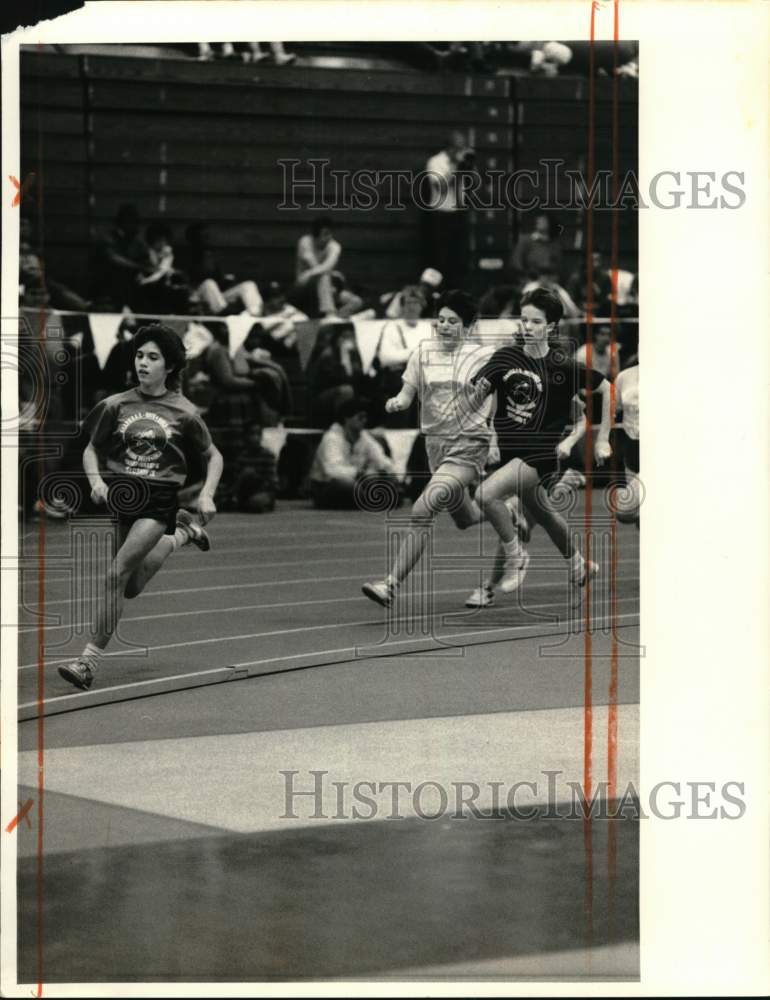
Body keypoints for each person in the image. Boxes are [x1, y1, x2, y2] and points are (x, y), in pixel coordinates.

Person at [57, 323, 223, 691]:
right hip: (121, 496)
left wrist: (207, 494)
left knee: (115, 575)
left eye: (153, 357)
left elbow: (214, 456)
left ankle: (87, 661)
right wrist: (97, 481)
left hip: (158, 497)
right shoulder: (116, 404)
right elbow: (92, 448)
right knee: (130, 586)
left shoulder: (184, 411)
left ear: (170, 367)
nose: (143, 363)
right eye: (139, 355)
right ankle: (181, 533)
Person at [361, 290, 515, 608]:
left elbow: (493, 398)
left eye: (452, 322)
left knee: (422, 509)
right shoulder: (423, 352)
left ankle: (390, 584)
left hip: (470, 443)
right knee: (466, 518)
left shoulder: (482, 357)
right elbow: (408, 391)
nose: (444, 326)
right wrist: (398, 401)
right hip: (435, 444)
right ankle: (508, 511)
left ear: (469, 326)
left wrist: (495, 440)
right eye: (440, 320)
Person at [463, 286, 612, 608]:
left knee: (484, 496)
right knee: (544, 514)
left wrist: (601, 438)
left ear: (551, 326)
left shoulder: (561, 366)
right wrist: (472, 396)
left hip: (540, 455)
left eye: (535, 322)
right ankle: (579, 564)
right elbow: (478, 395)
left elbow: (605, 389)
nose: (527, 327)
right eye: (524, 319)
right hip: (510, 452)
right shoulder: (505, 356)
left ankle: (517, 556)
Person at [309, 397, 397, 509]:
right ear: (347, 418)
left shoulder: (364, 437)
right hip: (325, 485)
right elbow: (332, 471)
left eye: (365, 417)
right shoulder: (331, 438)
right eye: (360, 417)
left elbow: (381, 459)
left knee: (378, 480)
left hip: (357, 481)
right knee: (350, 486)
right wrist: (361, 473)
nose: (364, 421)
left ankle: (369, 499)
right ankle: (373, 499)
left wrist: (391, 473)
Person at [422, 132, 475, 288]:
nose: (461, 151)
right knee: (440, 260)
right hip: (440, 216)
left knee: (459, 260)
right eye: (459, 147)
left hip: (458, 214)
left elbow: (474, 183)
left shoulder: (463, 162)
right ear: (450, 148)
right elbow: (441, 187)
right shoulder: (435, 162)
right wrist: (454, 167)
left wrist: (469, 167)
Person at [179, 223, 263, 318]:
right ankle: (224, 320)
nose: (207, 240)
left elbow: (220, 283)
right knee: (208, 283)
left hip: (217, 300)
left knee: (248, 285)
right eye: (203, 237)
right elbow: (186, 282)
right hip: (197, 298)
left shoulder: (211, 255)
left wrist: (227, 280)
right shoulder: (185, 256)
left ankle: (256, 318)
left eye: (208, 236)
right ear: (194, 239)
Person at [294, 217, 343, 317]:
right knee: (324, 276)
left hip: (324, 283)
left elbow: (328, 266)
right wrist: (311, 274)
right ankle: (330, 313)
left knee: (355, 301)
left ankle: (338, 318)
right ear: (315, 234)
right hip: (304, 283)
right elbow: (313, 264)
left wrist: (310, 273)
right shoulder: (305, 242)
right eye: (325, 233)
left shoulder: (335, 246)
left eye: (330, 233)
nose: (329, 237)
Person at [612, 360, 640, 526]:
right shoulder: (624, 376)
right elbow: (614, 412)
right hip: (632, 450)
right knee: (632, 517)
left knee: (624, 511)